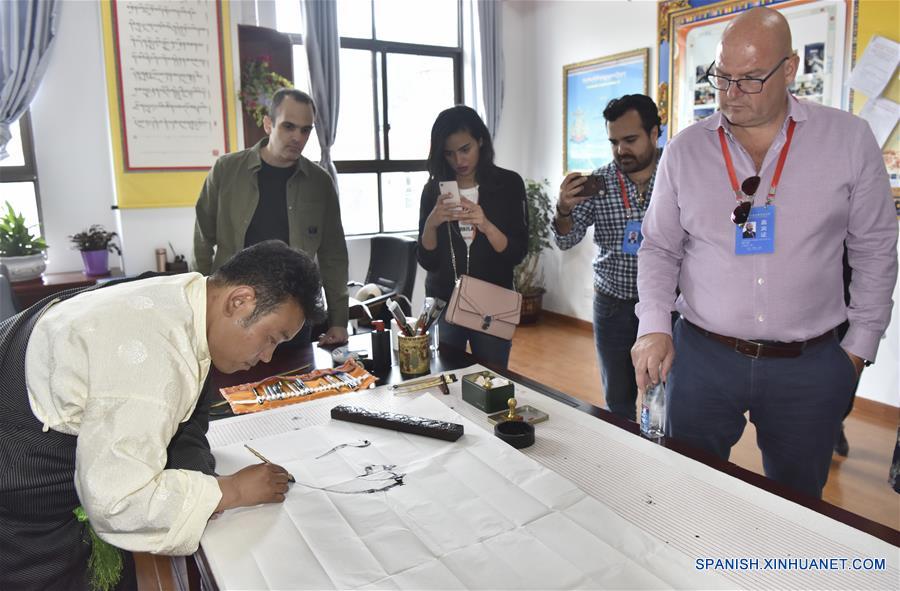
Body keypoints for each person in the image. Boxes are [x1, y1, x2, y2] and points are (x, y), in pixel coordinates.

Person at [632, 7, 897, 499]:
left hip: (809, 364)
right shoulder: (685, 151)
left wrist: (858, 350)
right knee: (686, 490)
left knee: (798, 504)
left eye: (751, 79)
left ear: (790, 69)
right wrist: (653, 326)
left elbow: (876, 248)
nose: (731, 94)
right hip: (702, 357)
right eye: (722, 77)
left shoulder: (848, 140)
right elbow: (660, 247)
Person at [0, 240, 326, 589]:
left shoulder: (183, 297)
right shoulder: (150, 355)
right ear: (240, 301)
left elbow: (187, 421)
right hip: (18, 482)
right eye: (271, 338)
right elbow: (117, 503)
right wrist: (230, 491)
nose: (267, 357)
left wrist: (200, 482)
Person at [193, 88, 349, 347]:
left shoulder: (319, 182)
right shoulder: (227, 170)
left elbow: (334, 255)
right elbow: (202, 240)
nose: (297, 137)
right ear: (268, 124)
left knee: (297, 373)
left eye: (305, 130)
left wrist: (339, 319)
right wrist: (199, 306)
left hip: (293, 317)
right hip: (233, 312)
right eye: (288, 126)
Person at [553, 94, 662, 421]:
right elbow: (566, 239)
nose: (620, 150)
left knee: (665, 396)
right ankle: (624, 447)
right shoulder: (598, 183)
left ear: (654, 133)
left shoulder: (677, 176)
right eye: (614, 142)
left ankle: (660, 451)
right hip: (613, 305)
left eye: (630, 140)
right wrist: (563, 209)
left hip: (665, 307)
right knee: (618, 398)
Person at [417, 105, 528, 368]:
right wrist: (431, 224)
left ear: (480, 141)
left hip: (493, 303)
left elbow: (517, 252)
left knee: (492, 380)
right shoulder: (434, 191)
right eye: (449, 153)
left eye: (465, 149)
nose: (459, 160)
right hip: (444, 302)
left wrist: (486, 225)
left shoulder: (508, 184)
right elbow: (427, 261)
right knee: (444, 379)